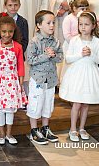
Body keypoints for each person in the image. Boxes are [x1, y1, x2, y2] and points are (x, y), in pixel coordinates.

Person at [59, 11, 99, 142]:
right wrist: (81, 54)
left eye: (86, 24)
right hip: (77, 74)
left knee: (86, 103)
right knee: (77, 103)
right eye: (81, 24)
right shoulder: (74, 40)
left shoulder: (96, 42)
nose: (83, 27)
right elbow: (68, 58)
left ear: (93, 26)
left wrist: (91, 54)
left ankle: (82, 128)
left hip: (90, 74)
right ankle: (73, 128)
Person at [0, 16, 26, 145]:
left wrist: (20, 83)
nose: (7, 34)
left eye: (10, 31)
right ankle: (1, 134)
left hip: (12, 81)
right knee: (0, 110)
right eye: (4, 32)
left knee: (10, 110)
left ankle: (9, 134)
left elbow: (20, 65)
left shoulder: (18, 47)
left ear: (14, 31)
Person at [27, 10, 63, 145]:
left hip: (51, 79)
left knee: (48, 103)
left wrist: (54, 55)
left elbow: (60, 57)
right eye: (48, 23)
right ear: (39, 25)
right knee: (36, 103)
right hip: (38, 79)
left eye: (53, 22)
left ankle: (45, 128)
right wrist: (45, 55)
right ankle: (34, 130)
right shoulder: (34, 41)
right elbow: (30, 60)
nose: (52, 25)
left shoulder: (56, 41)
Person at [59, 0, 89, 82]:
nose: (85, 11)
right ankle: (65, 84)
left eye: (86, 9)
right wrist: (77, 42)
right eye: (82, 9)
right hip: (70, 46)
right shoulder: (69, 18)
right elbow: (67, 35)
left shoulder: (86, 19)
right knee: (68, 66)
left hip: (83, 46)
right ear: (74, 8)